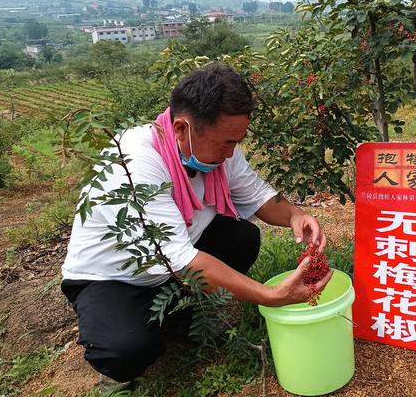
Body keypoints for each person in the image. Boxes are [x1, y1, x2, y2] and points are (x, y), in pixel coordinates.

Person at [60, 62, 333, 384]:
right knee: (125, 350)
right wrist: (269, 294)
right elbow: (181, 259)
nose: (231, 154)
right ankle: (120, 359)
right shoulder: (134, 164)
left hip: (173, 260)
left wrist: (295, 215)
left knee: (241, 236)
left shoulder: (219, 153)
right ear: (180, 129)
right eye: (225, 143)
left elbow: (257, 194)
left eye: (236, 141)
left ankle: (185, 319)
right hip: (112, 277)